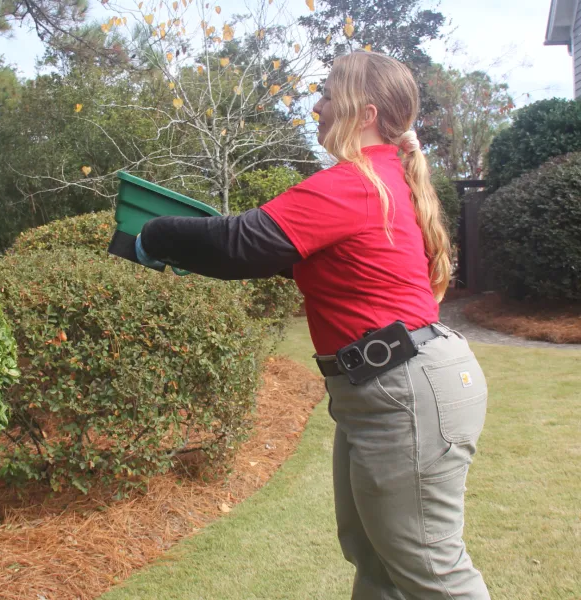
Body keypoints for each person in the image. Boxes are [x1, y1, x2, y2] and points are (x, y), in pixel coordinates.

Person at [134, 50, 490, 600]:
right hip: (386, 389)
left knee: (433, 575)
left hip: (402, 393)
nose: (317, 105)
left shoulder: (354, 184)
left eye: (326, 93)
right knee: (377, 565)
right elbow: (264, 253)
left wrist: (153, 235)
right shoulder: (385, 180)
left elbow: (238, 245)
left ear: (364, 112)